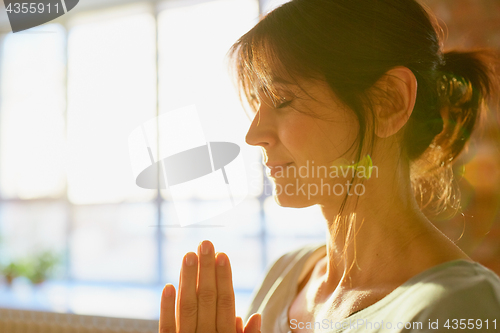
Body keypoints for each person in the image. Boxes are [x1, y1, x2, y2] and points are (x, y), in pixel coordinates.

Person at [158, 0, 500, 332]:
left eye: (282, 100)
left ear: (389, 102)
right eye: (256, 103)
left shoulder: (460, 306)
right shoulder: (286, 275)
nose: (253, 134)